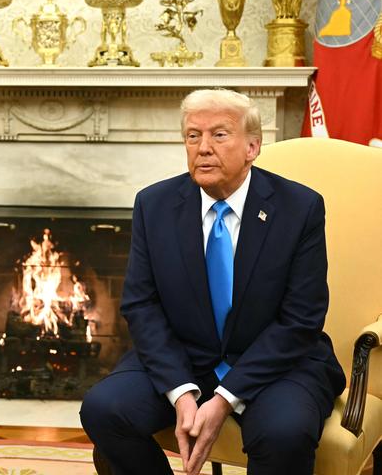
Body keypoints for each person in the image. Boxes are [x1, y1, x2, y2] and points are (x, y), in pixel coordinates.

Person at [80, 88, 345, 475]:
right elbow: (141, 305)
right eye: (192, 135)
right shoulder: (154, 205)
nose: (203, 148)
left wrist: (224, 397)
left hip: (277, 362)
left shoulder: (299, 207)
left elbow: (301, 319)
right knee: (105, 410)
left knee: (284, 433)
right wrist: (181, 391)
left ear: (252, 146)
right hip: (185, 356)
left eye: (219, 135)